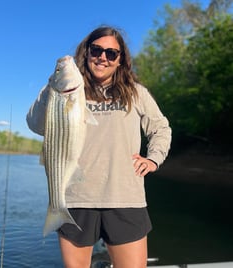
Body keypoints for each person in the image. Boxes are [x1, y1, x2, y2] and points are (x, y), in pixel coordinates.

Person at [26, 26, 171, 268]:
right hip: (75, 199)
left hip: (126, 199)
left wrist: (153, 158)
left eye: (111, 53)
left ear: (120, 59)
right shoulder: (61, 89)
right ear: (87, 52)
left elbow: (161, 128)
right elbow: (34, 124)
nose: (102, 57)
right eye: (96, 50)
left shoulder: (136, 93)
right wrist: (53, 84)